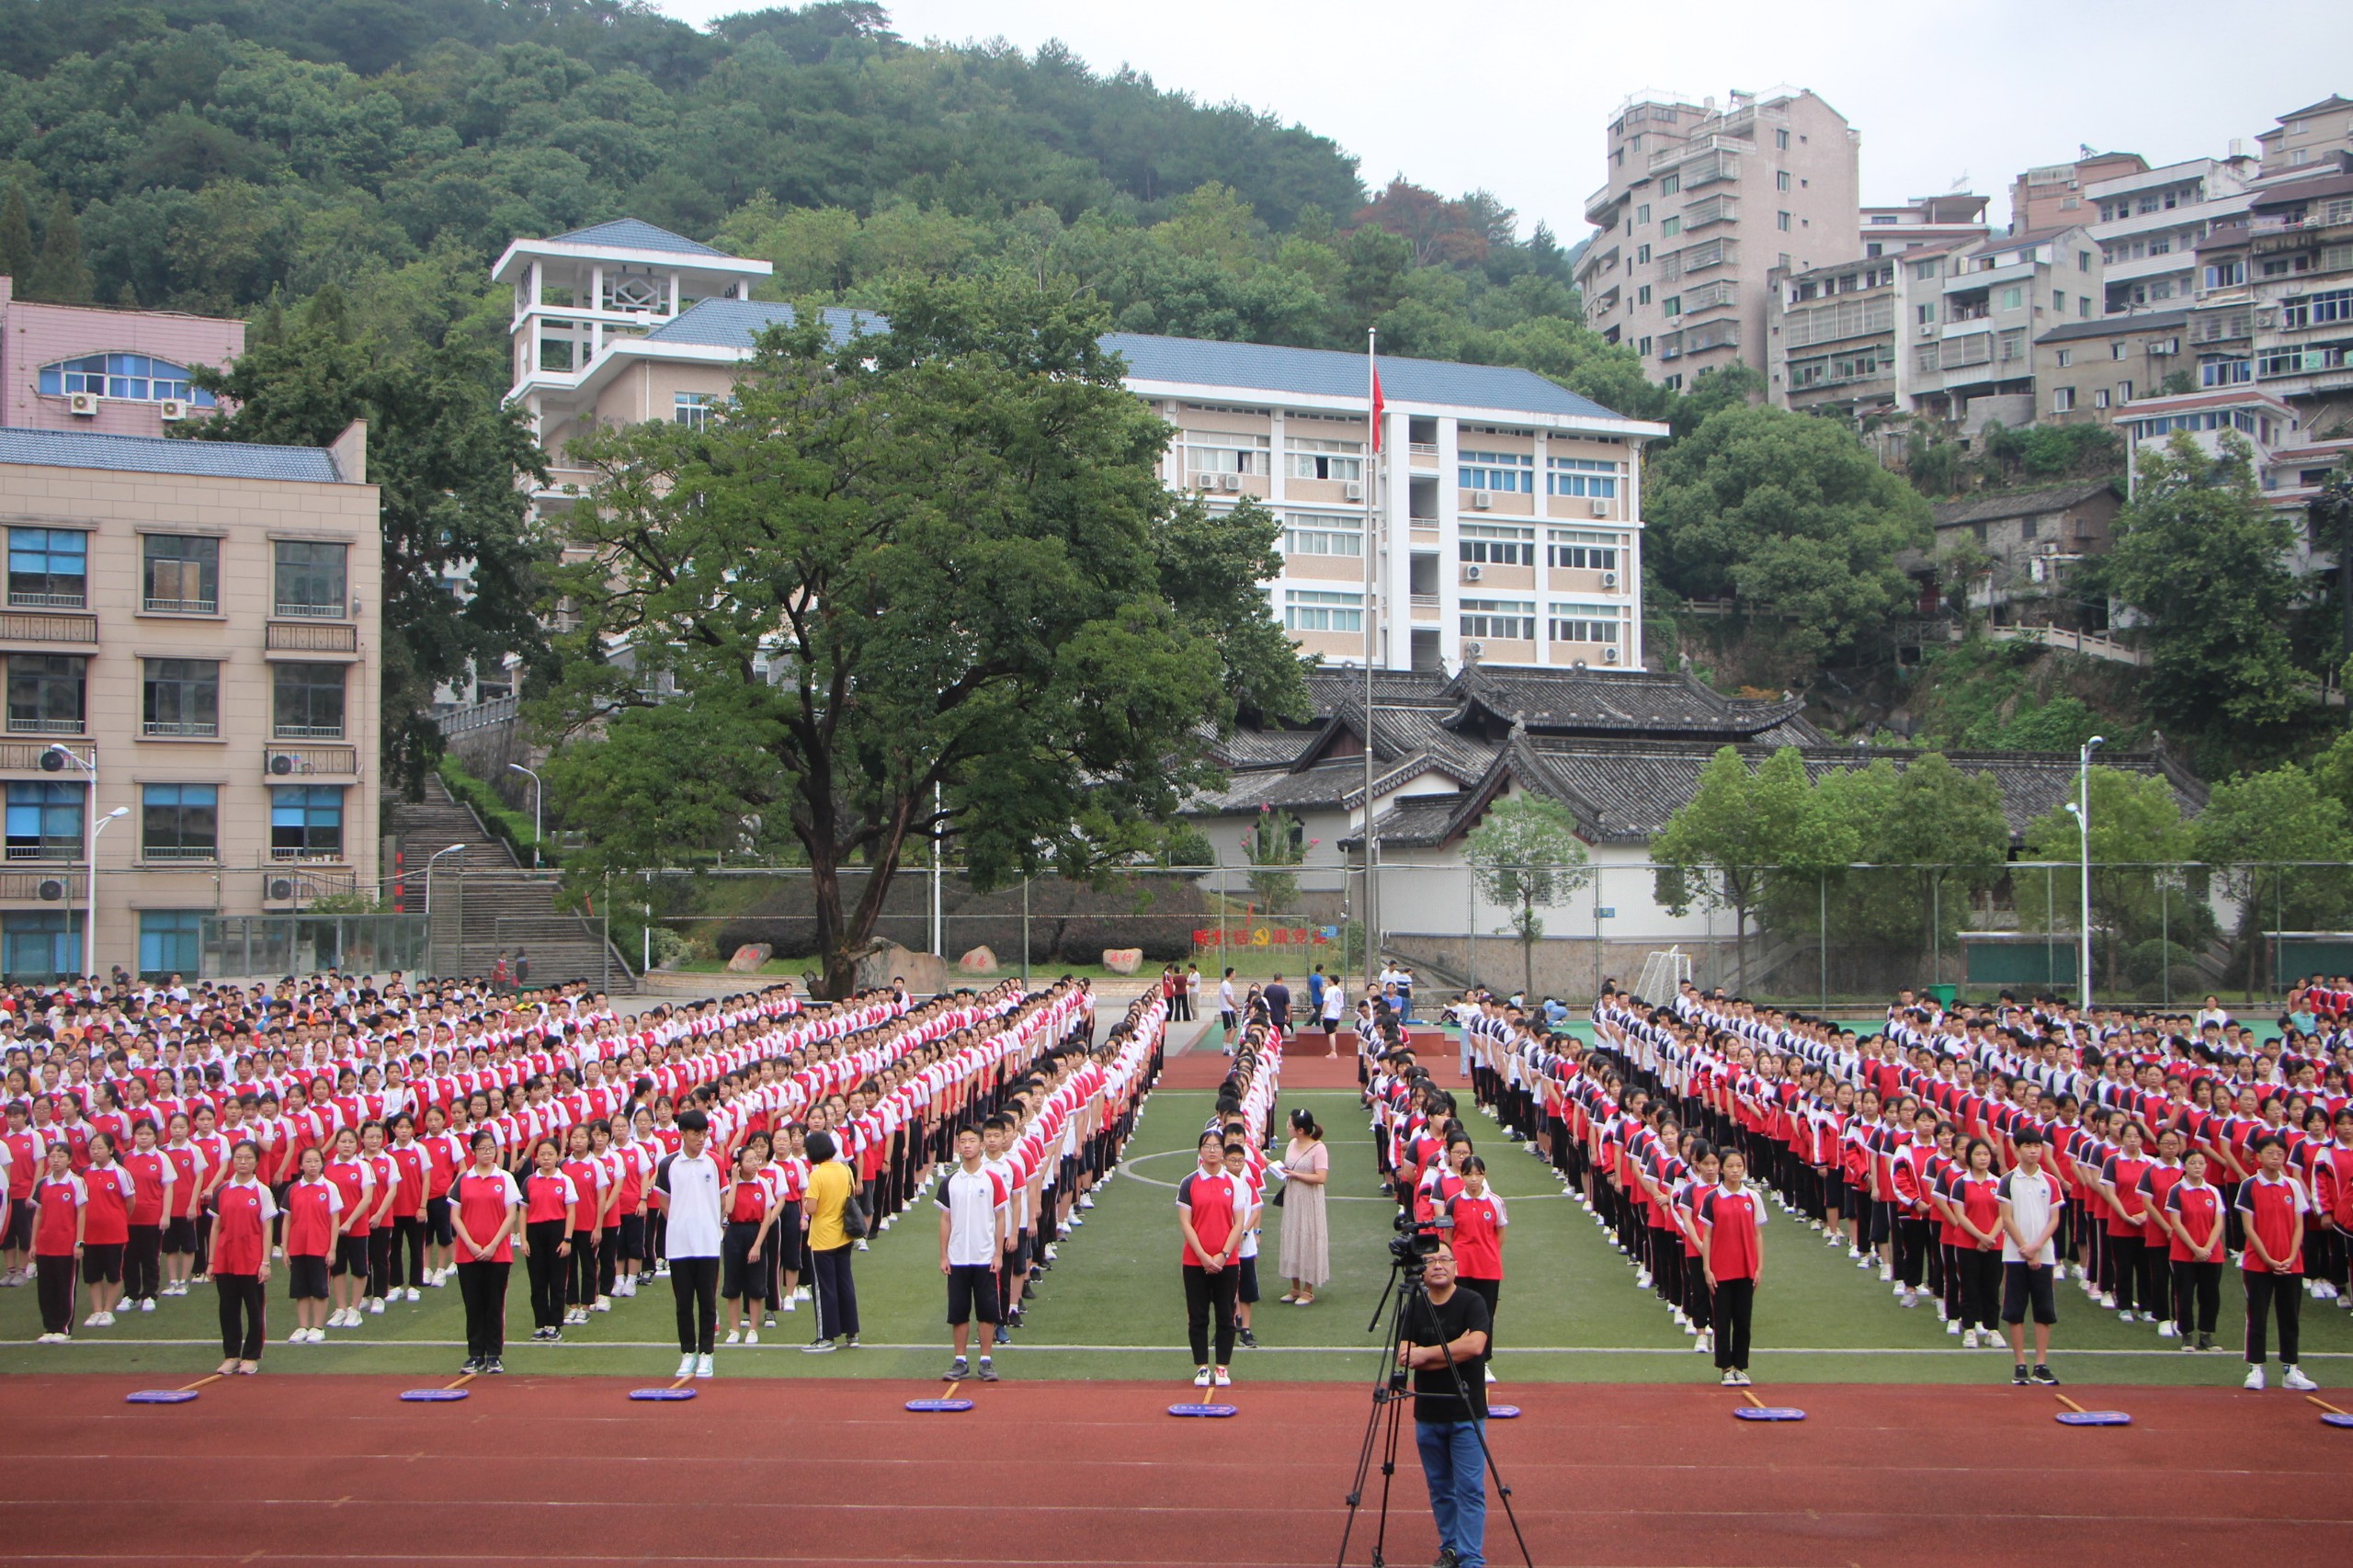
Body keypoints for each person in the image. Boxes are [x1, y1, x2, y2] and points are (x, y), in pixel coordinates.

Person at [1398, 1240, 1491, 1568]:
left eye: (1444, 1259)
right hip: (1428, 1413)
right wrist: (1452, 1349)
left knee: (1469, 1489)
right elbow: (1406, 1355)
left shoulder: (1472, 1301)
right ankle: (1450, 1548)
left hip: (1467, 1413)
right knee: (1440, 1488)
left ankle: (1471, 1559)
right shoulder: (1415, 1304)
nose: (1438, 1264)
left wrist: (1427, 1354)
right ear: (1421, 1269)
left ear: (1456, 1266)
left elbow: (1476, 1346)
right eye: (1431, 1260)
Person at [2237, 1133, 2319, 1391]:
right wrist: (2269, 1259)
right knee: (2257, 1316)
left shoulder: (2293, 1186)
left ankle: (2290, 1369)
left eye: (2280, 1154)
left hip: (2291, 1264)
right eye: (2270, 1153)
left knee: (2290, 1316)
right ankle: (2256, 1368)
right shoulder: (2249, 1186)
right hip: (2258, 1264)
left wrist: (2291, 1256)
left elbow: (2298, 1226)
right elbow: (2249, 1229)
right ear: (2258, 1157)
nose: (2276, 1158)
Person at [654, 1108, 725, 1380]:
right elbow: (662, 1200)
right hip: (679, 1243)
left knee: (707, 1301)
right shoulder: (668, 1164)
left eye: (704, 1134)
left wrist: (711, 1224)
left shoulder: (715, 1162)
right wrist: (680, 1220)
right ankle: (688, 1353)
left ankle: (707, 1354)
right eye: (696, 1134)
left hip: (708, 1243)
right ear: (682, 1134)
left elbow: (722, 1199)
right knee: (683, 1302)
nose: (701, 1139)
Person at [936, 1124, 1009, 1381]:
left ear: (980, 1146)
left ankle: (986, 1361)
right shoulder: (950, 1181)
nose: (967, 1145)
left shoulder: (992, 1180)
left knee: (987, 1311)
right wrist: (944, 1255)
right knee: (958, 1311)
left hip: (984, 1257)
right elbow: (945, 1219)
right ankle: (960, 1360)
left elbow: (1001, 1218)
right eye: (962, 1141)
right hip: (958, 1258)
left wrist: (998, 1254)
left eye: (971, 1141)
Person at [448, 1131, 522, 1374]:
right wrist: (470, 1244)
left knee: (494, 1304)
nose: (487, 1153)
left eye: (491, 1148)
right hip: (467, 1253)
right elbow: (455, 1216)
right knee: (473, 1304)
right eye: (482, 1148)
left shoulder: (505, 1178)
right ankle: (475, 1354)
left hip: (497, 1252)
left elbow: (511, 1214)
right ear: (473, 1151)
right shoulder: (463, 1180)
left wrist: (492, 1245)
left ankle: (494, 1354)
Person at [1176, 1130, 1244, 1390]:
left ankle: (1223, 1367)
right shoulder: (1189, 1183)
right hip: (1195, 1262)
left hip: (1228, 1261)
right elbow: (1186, 1223)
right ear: (1200, 1151)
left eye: (1217, 1146)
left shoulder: (1234, 1183)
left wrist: (1223, 1254)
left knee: (1226, 1316)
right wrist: (1204, 1256)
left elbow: (1238, 1223)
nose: (1212, 1150)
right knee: (1198, 1315)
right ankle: (1202, 1366)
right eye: (1207, 1146)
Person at [1998, 1128, 2065, 1387]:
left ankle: (2041, 1363)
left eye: (2037, 1146)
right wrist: (2025, 1248)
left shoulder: (2050, 1181)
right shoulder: (2007, 1180)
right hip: (2015, 1255)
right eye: (2027, 1146)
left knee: (2044, 1310)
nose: (2033, 1150)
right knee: (2015, 1310)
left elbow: (2054, 1219)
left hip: (2044, 1254)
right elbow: (2006, 1218)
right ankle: (2020, 1364)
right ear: (2017, 1149)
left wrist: (2037, 1247)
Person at [206, 1140, 275, 1375]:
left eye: (248, 1158)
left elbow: (267, 1228)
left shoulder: (262, 1191)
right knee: (228, 1308)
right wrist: (212, 1261)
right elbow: (215, 1227)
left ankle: (252, 1355)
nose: (243, 1162)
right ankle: (231, 1355)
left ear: (256, 1161)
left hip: (252, 1259)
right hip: (226, 1259)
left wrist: (265, 1262)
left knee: (254, 1309)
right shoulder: (222, 1190)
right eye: (238, 1158)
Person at [1699, 1147, 1765, 1388]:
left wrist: (1758, 1268)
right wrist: (1707, 1268)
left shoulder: (1752, 1197)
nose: (1735, 1171)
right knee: (1722, 1319)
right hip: (1721, 1269)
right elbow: (1707, 1235)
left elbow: (1757, 1234)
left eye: (1739, 1166)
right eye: (1730, 1166)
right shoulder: (1713, 1198)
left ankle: (1741, 1366)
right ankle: (1726, 1367)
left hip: (1745, 1269)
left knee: (1743, 1320)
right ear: (1722, 1169)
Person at [2154, 1147, 2226, 1351]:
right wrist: (2195, 1248)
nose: (2198, 1167)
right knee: (2184, 1294)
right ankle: (2186, 1335)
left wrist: (2208, 1248)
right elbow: (2176, 1223)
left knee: (2210, 1295)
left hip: (2212, 1254)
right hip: (2184, 1253)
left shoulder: (2213, 1191)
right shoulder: (2177, 1190)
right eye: (2193, 1163)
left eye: (2201, 1163)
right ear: (2185, 1166)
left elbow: (2219, 1222)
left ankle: (2206, 1335)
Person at [1448, 1156, 1507, 1381]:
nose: (1474, 1179)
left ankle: (1482, 1362)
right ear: (1461, 1176)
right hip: (1462, 1268)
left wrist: (1487, 1251)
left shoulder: (1495, 1201)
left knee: (1486, 1315)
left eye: (1478, 1174)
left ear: (1484, 1175)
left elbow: (1500, 1233)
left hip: (1488, 1268)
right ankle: (1458, 1359)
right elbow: (1449, 1236)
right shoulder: (1454, 1202)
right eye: (1469, 1174)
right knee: (1460, 1314)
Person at [802, 1129, 860, 1353]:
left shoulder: (817, 1175)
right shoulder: (844, 1170)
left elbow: (812, 1208)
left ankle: (825, 1336)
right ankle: (851, 1331)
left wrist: (805, 1200)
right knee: (845, 1283)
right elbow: (851, 1194)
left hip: (822, 1238)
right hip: (843, 1235)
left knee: (824, 1288)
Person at [280, 1146, 340, 1344]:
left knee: (319, 1288)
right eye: (308, 1161)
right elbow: (287, 1220)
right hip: (298, 1247)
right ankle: (303, 1326)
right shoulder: (293, 1189)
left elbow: (334, 1220)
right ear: (300, 1165)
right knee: (301, 1289)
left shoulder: (329, 1187)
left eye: (316, 1161)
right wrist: (285, 1248)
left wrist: (332, 1249)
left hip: (320, 1247)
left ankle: (318, 1326)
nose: (313, 1165)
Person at [520, 1138, 576, 1343]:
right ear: (536, 1158)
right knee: (538, 1281)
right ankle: (540, 1323)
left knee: (557, 1280)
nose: (546, 1158)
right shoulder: (530, 1181)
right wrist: (524, 1239)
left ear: (557, 1156)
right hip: (535, 1232)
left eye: (550, 1154)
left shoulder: (565, 1180)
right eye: (542, 1154)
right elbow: (523, 1211)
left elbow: (570, 1211)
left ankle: (555, 1324)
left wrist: (567, 1239)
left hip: (557, 1231)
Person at [28, 1142, 85, 1342]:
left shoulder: (76, 1182)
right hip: (45, 1244)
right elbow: (38, 1214)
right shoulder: (43, 1183)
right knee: (46, 1288)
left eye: (60, 1156)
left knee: (65, 1287)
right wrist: (33, 1243)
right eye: (52, 1156)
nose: (56, 1160)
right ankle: (50, 1326)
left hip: (66, 1245)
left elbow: (81, 1213)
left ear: (69, 1160)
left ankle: (63, 1327)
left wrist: (79, 1242)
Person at [1276, 1109, 1329, 1306]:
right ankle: (1294, 1287)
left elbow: (1321, 1177)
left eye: (1290, 1125)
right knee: (1293, 1235)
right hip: (1293, 1196)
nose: (1287, 1128)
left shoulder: (1318, 1148)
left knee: (1308, 1236)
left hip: (1309, 1198)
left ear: (1300, 1129)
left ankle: (1308, 1289)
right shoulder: (1291, 1144)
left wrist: (1296, 1175)